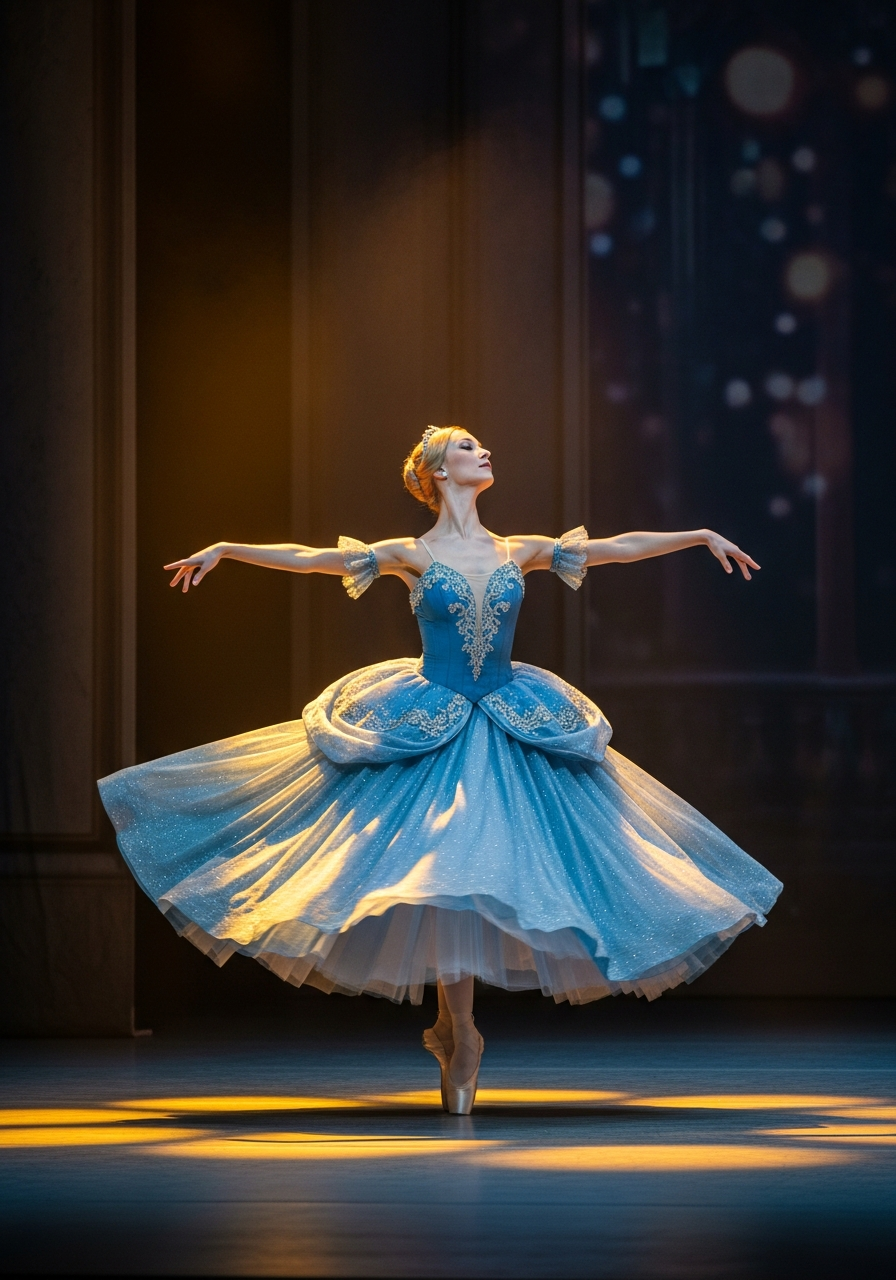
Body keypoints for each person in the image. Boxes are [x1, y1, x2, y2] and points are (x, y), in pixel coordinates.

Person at [98, 425, 781, 1114]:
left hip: (509, 718)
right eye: (467, 447)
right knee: (441, 868)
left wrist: (697, 535)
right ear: (438, 471)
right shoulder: (411, 553)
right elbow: (311, 559)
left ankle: (460, 1031)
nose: (484, 452)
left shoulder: (518, 549)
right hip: (430, 720)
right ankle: (459, 1031)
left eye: (483, 446)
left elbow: (617, 547)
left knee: (480, 868)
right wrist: (228, 549)